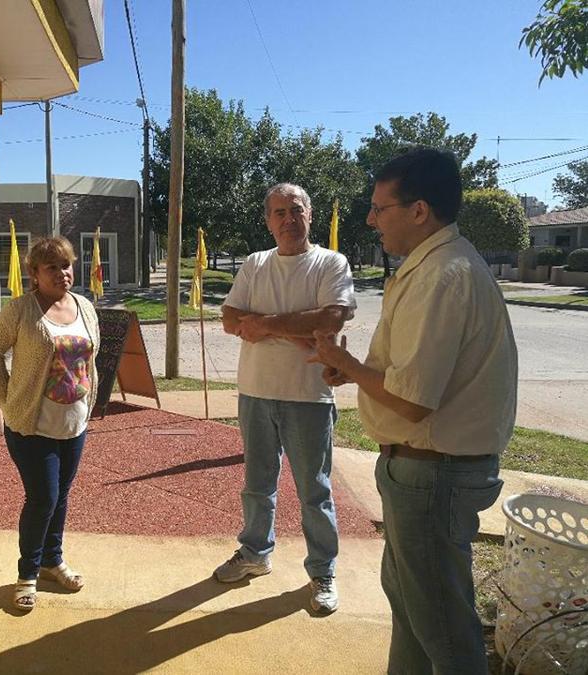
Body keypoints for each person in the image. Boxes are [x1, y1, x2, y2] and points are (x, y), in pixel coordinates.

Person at [309, 146, 517, 674]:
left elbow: (411, 398)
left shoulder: (444, 274)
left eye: (380, 208)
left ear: (419, 210)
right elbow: (406, 377)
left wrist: (345, 363)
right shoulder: (437, 267)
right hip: (423, 471)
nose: (370, 219)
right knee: (413, 610)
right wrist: (352, 368)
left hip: (433, 474)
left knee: (442, 627)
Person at [213, 182, 356, 615]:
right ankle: (255, 553)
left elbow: (332, 316)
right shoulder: (256, 264)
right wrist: (298, 329)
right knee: (258, 485)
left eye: (296, 210)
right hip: (255, 393)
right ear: (268, 220)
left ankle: (323, 572)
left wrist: (267, 325)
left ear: (309, 215)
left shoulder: (331, 262)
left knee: (315, 490)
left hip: (309, 397)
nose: (288, 220)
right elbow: (230, 318)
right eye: (278, 212)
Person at [0, 236, 100, 612]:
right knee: (43, 498)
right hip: (31, 425)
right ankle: (27, 574)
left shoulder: (84, 306)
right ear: (34, 273)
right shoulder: (21, 310)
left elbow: (89, 360)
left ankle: (53, 560)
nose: (63, 273)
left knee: (60, 496)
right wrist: (4, 400)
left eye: (66, 265)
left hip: (73, 422)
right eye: (52, 267)